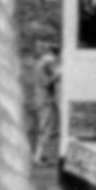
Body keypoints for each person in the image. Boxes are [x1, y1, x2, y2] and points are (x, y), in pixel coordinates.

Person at [30, 33, 61, 166]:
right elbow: (46, 83)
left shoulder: (42, 64)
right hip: (44, 101)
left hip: (44, 100)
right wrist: (59, 75)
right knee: (45, 129)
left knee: (47, 128)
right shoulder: (42, 66)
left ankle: (40, 155)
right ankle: (38, 156)